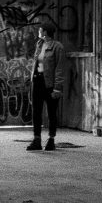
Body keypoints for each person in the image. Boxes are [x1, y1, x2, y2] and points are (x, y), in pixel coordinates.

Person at [27, 23, 65, 151]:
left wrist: (57, 88)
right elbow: (36, 63)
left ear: (45, 32)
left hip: (50, 84)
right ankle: (36, 139)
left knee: (51, 112)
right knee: (36, 112)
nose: (39, 32)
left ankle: (51, 139)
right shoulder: (39, 44)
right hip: (37, 81)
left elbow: (60, 68)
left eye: (40, 30)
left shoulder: (57, 47)